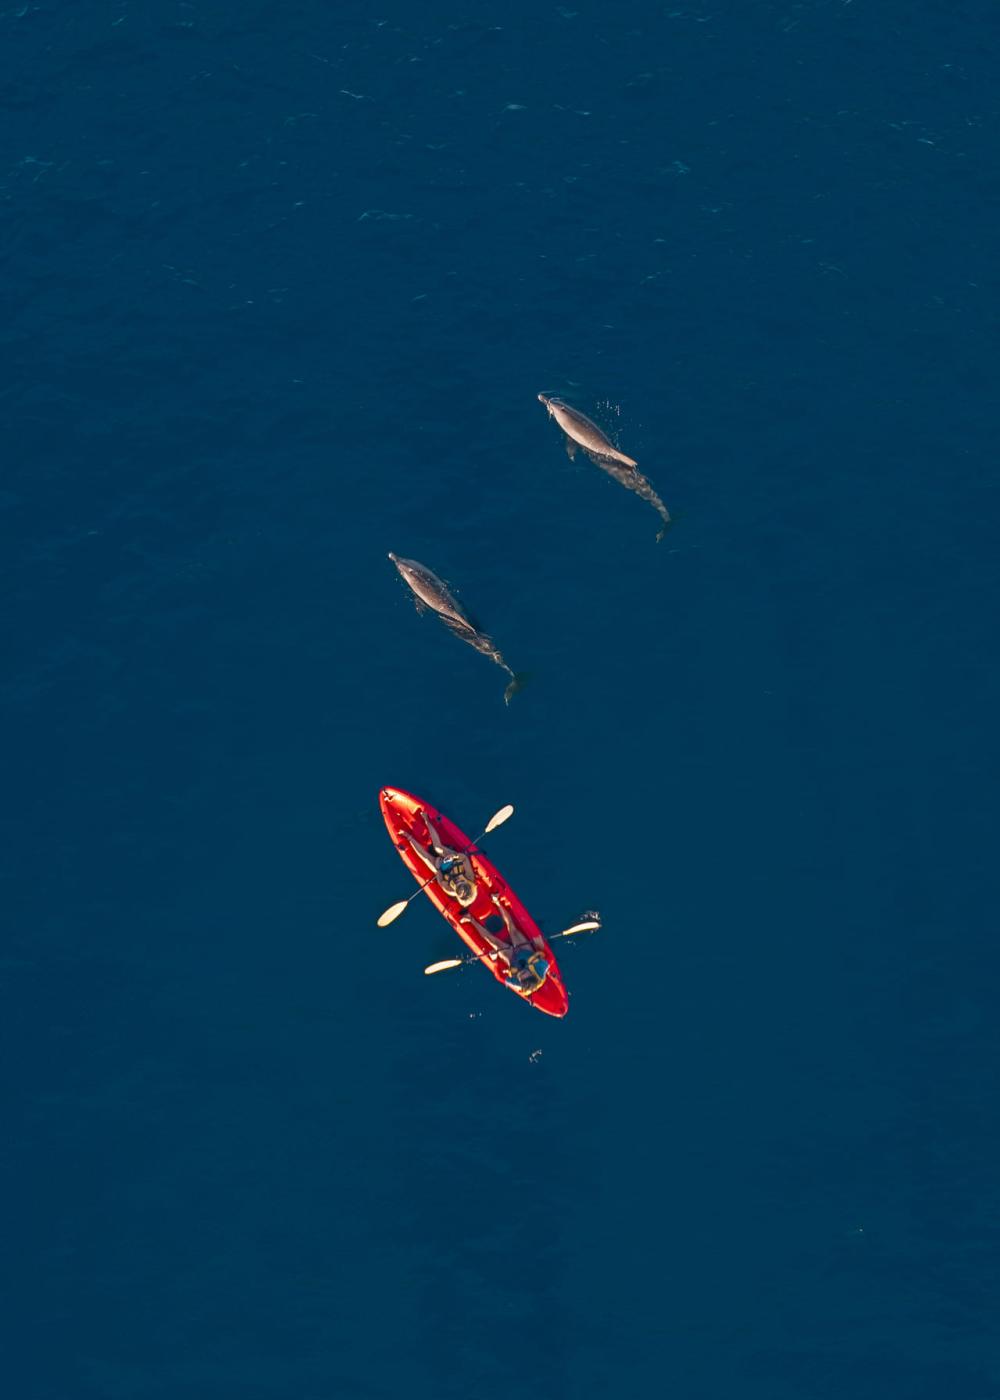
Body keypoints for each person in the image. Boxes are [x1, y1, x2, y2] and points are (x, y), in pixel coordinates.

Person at [462, 893, 551, 995]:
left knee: (494, 942)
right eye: (524, 973)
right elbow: (547, 958)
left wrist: (494, 959)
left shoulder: (517, 983)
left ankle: (470, 919)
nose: (521, 974)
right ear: (532, 974)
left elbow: (499, 976)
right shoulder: (541, 969)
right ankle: (497, 901)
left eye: (520, 976)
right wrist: (539, 946)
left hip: (513, 960)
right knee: (512, 929)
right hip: (526, 953)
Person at [400, 810, 478, 907]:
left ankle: (408, 837)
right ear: (468, 883)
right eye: (461, 881)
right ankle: (426, 819)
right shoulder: (470, 876)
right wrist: (453, 856)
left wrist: (438, 867)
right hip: (454, 858)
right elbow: (464, 858)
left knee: (426, 858)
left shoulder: (449, 889)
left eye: (457, 885)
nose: (458, 881)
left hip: (442, 869)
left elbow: (440, 878)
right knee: (437, 847)